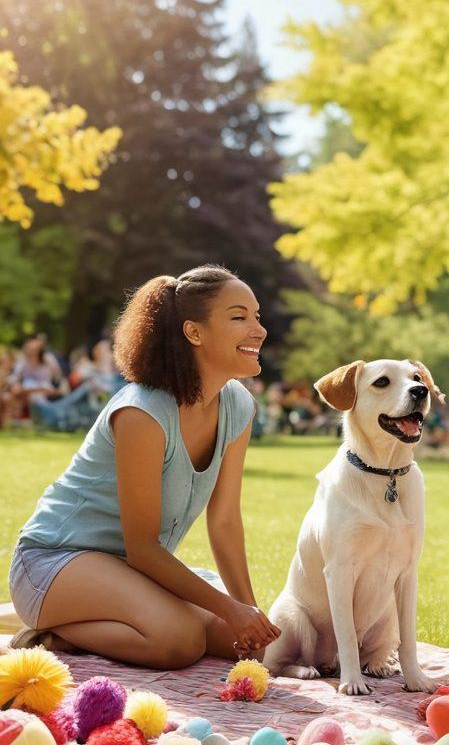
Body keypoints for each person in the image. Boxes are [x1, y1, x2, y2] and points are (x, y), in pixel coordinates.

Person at [7, 265, 280, 668]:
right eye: (239, 317)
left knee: (243, 646)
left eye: (256, 316)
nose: (258, 329)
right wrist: (228, 607)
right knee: (180, 641)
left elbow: (224, 521)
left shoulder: (238, 406)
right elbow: (143, 549)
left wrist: (249, 615)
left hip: (132, 573)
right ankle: (50, 633)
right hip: (56, 560)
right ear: (194, 332)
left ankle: (128, 616)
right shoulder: (142, 412)